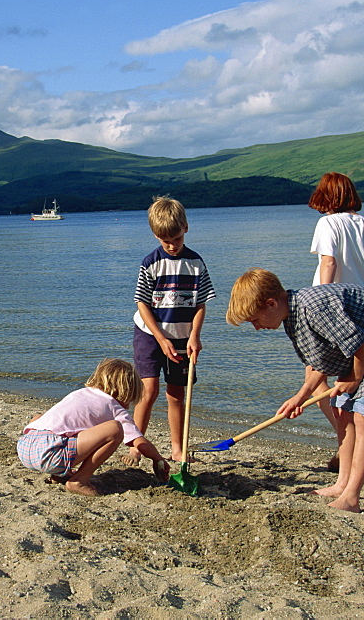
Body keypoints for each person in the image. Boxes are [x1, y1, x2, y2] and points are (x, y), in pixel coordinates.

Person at [226, 268, 364, 513]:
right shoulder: (291, 317)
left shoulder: (313, 309)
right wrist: (299, 398)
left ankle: (352, 497)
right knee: (341, 411)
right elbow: (318, 364)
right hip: (362, 349)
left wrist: (354, 377)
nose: (257, 328)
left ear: (271, 303)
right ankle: (341, 484)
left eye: (255, 320)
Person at [308, 172, 364, 470]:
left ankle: (345, 439)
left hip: (336, 313)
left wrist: (318, 307)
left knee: (316, 380)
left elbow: (328, 262)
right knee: (351, 387)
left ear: (325, 197)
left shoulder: (328, 223)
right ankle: (347, 442)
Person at [128, 196, 215, 463]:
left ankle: (178, 449)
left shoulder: (196, 263)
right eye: (165, 240)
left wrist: (195, 336)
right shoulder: (150, 263)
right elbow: (142, 303)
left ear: (185, 228)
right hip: (150, 333)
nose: (172, 245)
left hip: (182, 336)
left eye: (176, 239)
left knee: (176, 393)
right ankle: (135, 444)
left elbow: (201, 304)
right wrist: (159, 338)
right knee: (149, 389)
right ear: (155, 235)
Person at [17, 358, 171, 497]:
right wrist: (157, 459)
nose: (129, 405)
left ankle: (58, 475)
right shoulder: (114, 406)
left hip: (25, 448)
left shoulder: (81, 393)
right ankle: (79, 480)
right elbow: (139, 441)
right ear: (125, 392)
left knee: (45, 420)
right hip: (50, 454)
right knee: (115, 429)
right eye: (130, 400)